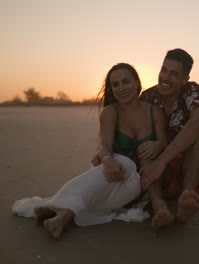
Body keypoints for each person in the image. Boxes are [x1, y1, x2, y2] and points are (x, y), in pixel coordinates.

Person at [12, 63, 167, 240]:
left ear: (137, 83)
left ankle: (56, 210)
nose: (121, 88)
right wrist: (107, 161)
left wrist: (157, 145)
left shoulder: (154, 112)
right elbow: (105, 146)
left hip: (137, 183)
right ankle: (62, 215)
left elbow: (163, 141)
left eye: (126, 82)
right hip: (109, 175)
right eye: (115, 85)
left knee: (127, 165)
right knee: (120, 166)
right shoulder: (110, 112)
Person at [139, 48, 199, 229]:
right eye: (164, 70)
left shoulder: (193, 91)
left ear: (184, 79)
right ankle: (159, 207)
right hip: (160, 177)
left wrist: (162, 158)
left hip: (195, 170)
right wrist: (103, 152)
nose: (165, 78)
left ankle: (187, 197)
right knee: (144, 145)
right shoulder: (148, 97)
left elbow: (198, 122)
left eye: (174, 74)